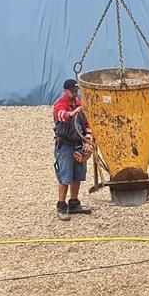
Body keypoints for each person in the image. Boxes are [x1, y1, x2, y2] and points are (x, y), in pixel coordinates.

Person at [53, 78, 94, 220]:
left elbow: (88, 124)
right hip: (65, 145)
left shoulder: (79, 104)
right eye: (72, 92)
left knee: (78, 174)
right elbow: (62, 116)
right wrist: (74, 112)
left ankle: (74, 203)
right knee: (65, 176)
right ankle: (61, 205)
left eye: (76, 91)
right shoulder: (60, 105)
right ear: (65, 91)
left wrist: (87, 140)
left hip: (78, 144)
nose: (75, 94)